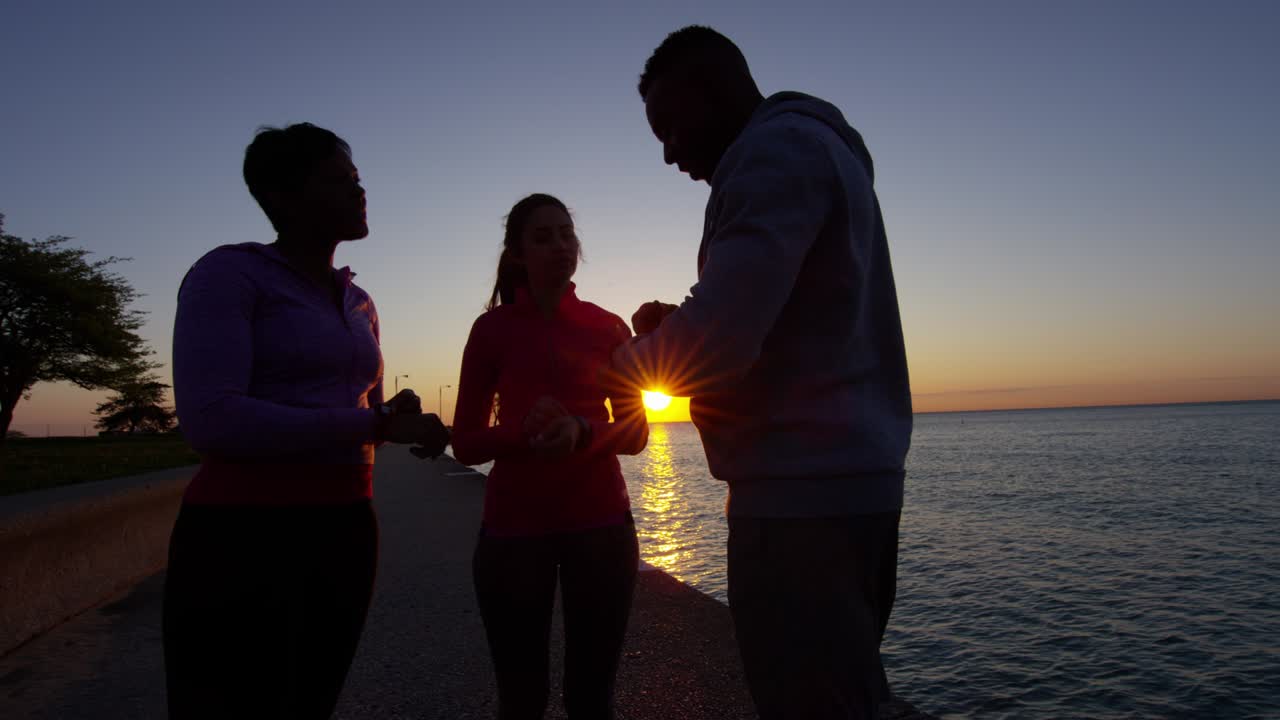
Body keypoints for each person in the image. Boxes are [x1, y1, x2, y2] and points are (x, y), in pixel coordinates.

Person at [612, 26, 913, 720]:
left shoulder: (773, 154)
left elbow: (721, 339)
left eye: (671, 127)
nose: (669, 153)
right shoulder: (821, 151)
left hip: (797, 505)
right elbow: (781, 318)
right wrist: (677, 326)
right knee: (849, 693)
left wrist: (616, 367)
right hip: (856, 490)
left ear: (715, 90)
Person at [165, 122, 449, 719]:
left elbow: (363, 416)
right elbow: (212, 419)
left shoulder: (359, 301)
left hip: (346, 526)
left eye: (358, 178)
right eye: (338, 180)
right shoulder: (229, 274)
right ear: (283, 196)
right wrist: (373, 425)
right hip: (243, 534)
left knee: (312, 702)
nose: (358, 190)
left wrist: (395, 418)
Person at [450, 193, 649, 719]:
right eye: (543, 237)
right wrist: (524, 432)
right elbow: (465, 442)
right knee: (521, 699)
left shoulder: (607, 327)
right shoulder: (490, 330)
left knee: (592, 698)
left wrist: (582, 430)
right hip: (513, 530)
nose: (561, 246)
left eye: (566, 234)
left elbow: (635, 432)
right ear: (517, 253)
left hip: (601, 526)